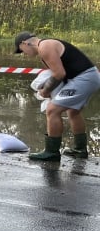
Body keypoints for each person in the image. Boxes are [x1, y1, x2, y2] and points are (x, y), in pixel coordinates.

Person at [13, 31, 100, 160]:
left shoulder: (44, 47)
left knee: (52, 110)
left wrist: (46, 91)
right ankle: (80, 149)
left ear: (25, 43)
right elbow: (59, 74)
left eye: (21, 51)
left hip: (84, 78)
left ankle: (52, 152)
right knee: (73, 112)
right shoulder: (46, 46)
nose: (24, 54)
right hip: (89, 76)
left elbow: (59, 74)